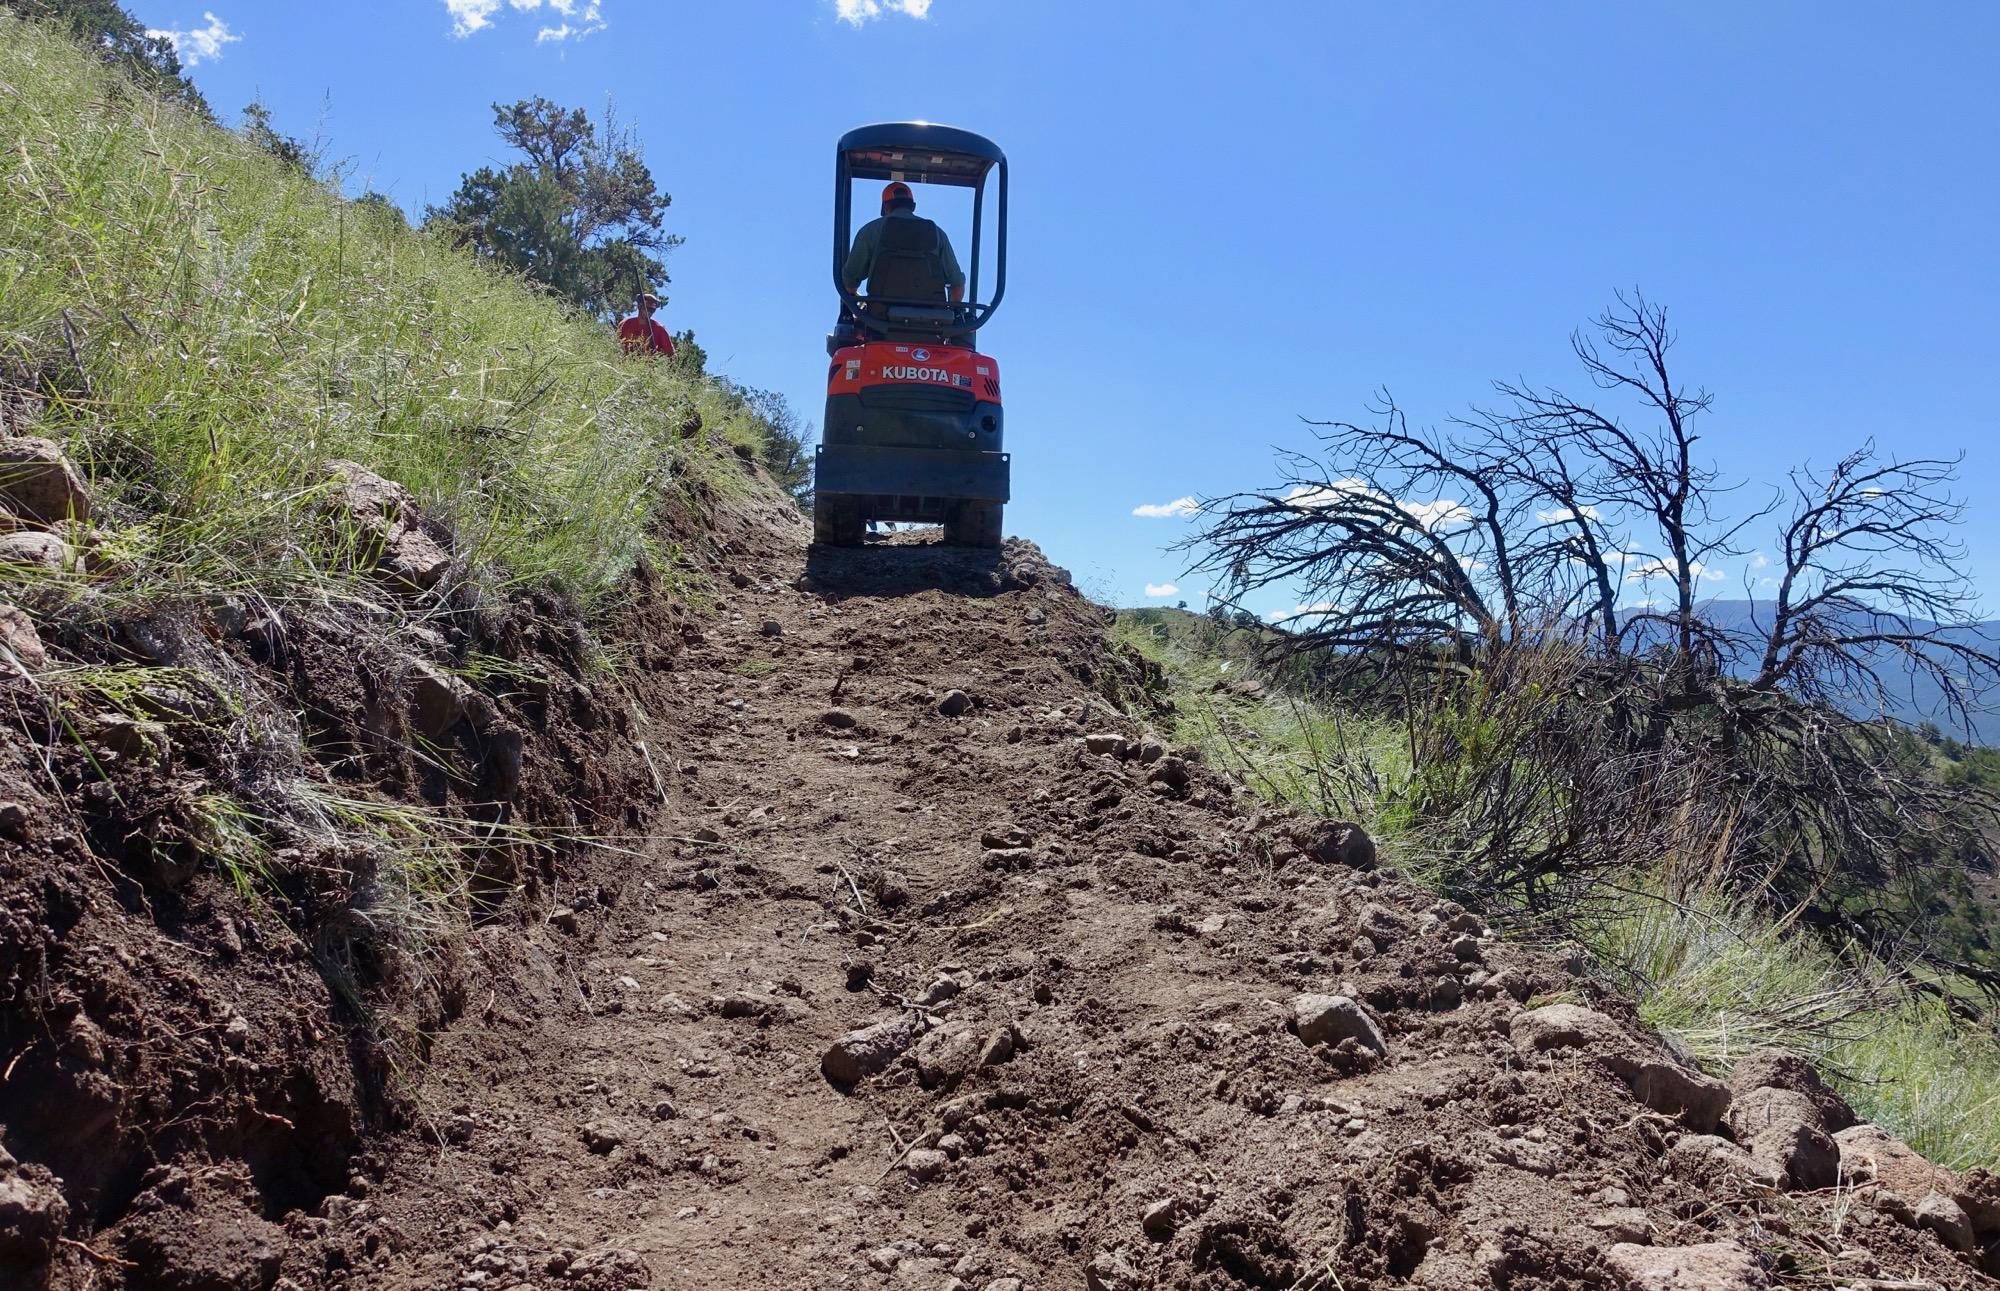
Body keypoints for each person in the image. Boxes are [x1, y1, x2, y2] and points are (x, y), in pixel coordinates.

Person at [841, 182, 966, 306]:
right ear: (913, 206)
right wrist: (951, 313)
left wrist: (857, 301)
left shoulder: (870, 231)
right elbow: (957, 285)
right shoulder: (938, 234)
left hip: (878, 317)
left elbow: (849, 283)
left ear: (885, 207)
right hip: (931, 320)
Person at [618, 292, 675, 357]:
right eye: (647, 308)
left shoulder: (659, 329)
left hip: (648, 366)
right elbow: (616, 345)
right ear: (639, 307)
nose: (650, 312)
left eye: (652, 310)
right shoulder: (625, 324)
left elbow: (671, 354)